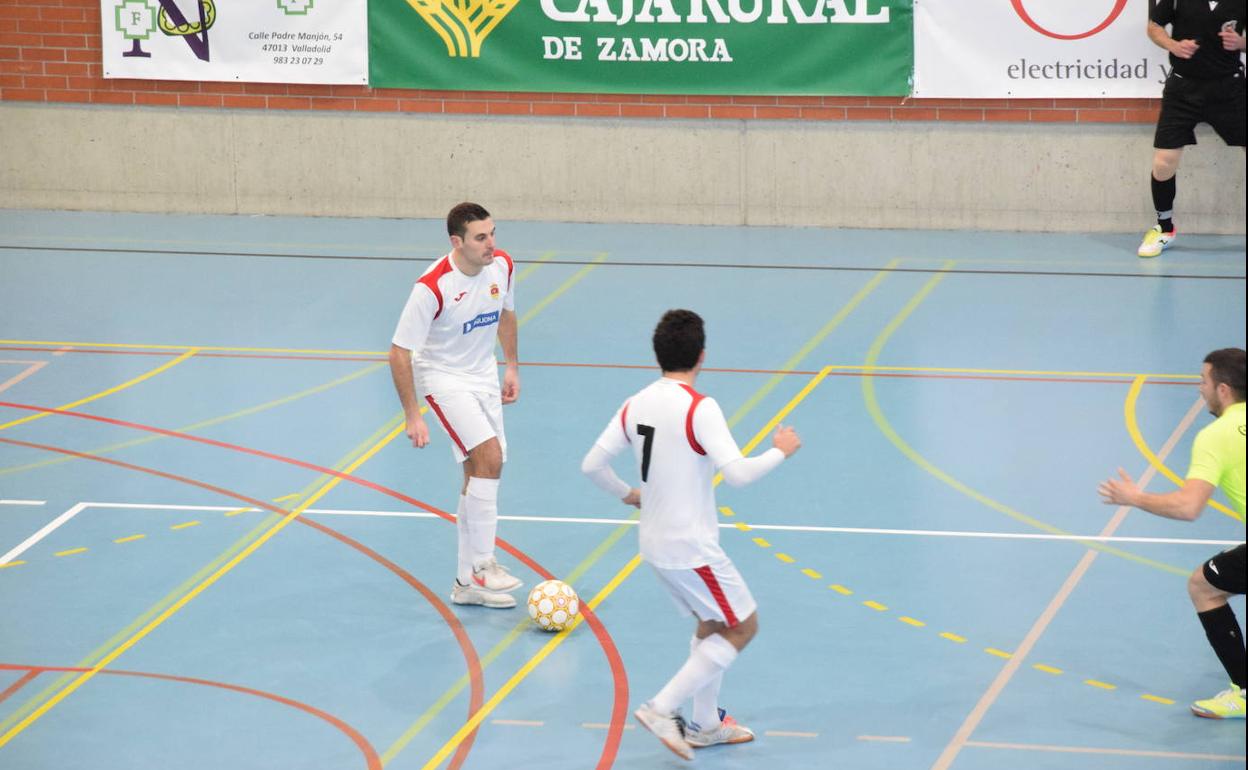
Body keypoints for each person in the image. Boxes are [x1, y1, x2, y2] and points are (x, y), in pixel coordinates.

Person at [581, 309, 802, 760]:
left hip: (654, 544)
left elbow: (591, 466)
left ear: (658, 354)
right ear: (702, 356)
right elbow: (737, 474)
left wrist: (629, 494)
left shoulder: (635, 402)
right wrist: (780, 452)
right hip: (690, 546)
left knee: (712, 623)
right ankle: (662, 708)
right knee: (743, 626)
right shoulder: (701, 408)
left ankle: (704, 725)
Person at [389, 202, 523, 609]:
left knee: (477, 471)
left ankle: (466, 584)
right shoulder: (432, 287)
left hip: (481, 374)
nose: (491, 244)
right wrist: (413, 415)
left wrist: (512, 366)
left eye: (493, 233)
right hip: (444, 378)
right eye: (481, 237)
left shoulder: (502, 266)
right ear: (456, 242)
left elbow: (506, 315)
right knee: (490, 456)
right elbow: (398, 353)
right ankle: (484, 562)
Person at [1099, 348, 1246, 719]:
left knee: (1203, 586)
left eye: (1204, 381)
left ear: (1224, 390)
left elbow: (1188, 506)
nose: (1200, 389)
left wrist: (1135, 497)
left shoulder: (1217, 436)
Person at [1137, 2, 1245, 258]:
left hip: (1230, 89)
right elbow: (1154, 27)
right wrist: (1172, 45)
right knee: (1164, 162)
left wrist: (1241, 44)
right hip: (1182, 91)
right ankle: (1164, 229)